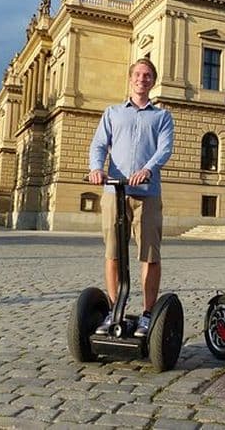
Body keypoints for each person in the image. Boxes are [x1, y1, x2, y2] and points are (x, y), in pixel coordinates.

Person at [88, 58, 174, 337]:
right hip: (115, 191)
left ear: (153, 81)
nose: (142, 79)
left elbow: (164, 150)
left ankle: (148, 313)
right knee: (113, 252)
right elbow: (100, 144)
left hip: (147, 193)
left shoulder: (162, 117)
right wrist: (96, 169)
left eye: (147, 75)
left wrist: (148, 169)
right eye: (137, 74)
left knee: (149, 255)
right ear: (130, 78)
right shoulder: (112, 113)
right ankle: (115, 310)